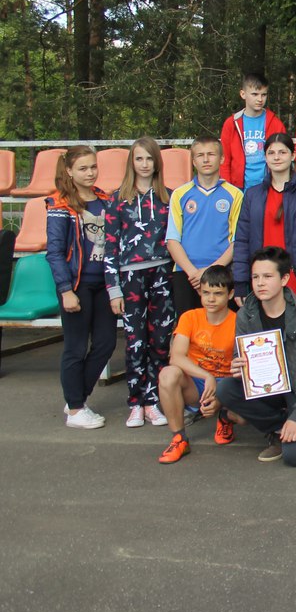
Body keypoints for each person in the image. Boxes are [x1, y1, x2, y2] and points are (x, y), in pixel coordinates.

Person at [217, 247, 296, 466]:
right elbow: (240, 354)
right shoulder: (246, 314)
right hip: (269, 387)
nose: (260, 283)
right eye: (255, 277)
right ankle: (277, 428)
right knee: (225, 389)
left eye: (267, 276)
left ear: (284, 279)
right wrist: (239, 367)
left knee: (295, 456)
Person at [104, 137, 175, 426]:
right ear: (131, 163)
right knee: (135, 342)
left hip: (162, 275)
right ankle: (136, 401)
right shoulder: (117, 200)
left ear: (157, 162)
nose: (144, 164)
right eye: (139, 159)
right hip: (130, 277)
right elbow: (109, 247)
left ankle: (154, 400)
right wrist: (114, 289)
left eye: (149, 158)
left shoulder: (169, 198)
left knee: (160, 340)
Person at [48, 146, 116, 429]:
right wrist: (66, 290)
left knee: (106, 344)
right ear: (69, 171)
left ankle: (75, 397)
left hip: (104, 284)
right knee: (75, 348)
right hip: (77, 285)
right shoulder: (60, 204)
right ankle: (76, 410)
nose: (90, 173)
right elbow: (54, 252)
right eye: (83, 168)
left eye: (93, 167)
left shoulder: (106, 200)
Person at [232, 134, 296, 309]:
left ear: (292, 155)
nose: (276, 157)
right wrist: (240, 282)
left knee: (294, 324)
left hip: (295, 276)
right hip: (260, 278)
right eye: (271, 153)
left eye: (282, 152)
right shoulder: (252, 195)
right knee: (263, 326)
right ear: (265, 157)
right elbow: (242, 241)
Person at [155, 265, 238, 464]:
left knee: (244, 413)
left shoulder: (239, 321)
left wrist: (220, 398)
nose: (211, 299)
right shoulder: (190, 317)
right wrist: (206, 376)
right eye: (206, 292)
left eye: (218, 293)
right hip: (198, 382)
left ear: (230, 294)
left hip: (228, 384)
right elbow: (176, 357)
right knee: (168, 374)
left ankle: (225, 416)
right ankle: (179, 439)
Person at [166, 136, 244, 315]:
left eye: (211, 154)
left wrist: (209, 272)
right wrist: (193, 272)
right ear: (193, 161)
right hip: (186, 274)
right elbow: (172, 240)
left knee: (223, 327)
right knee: (188, 327)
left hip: (222, 272)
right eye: (200, 155)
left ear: (222, 159)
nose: (206, 159)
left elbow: (237, 241)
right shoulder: (180, 194)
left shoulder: (235, 195)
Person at [219, 73, 285, 189]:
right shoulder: (231, 124)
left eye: (263, 95)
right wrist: (227, 189)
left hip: (268, 187)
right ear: (243, 94)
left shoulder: (275, 123)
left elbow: (284, 157)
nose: (260, 99)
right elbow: (225, 160)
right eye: (255, 94)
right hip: (239, 188)